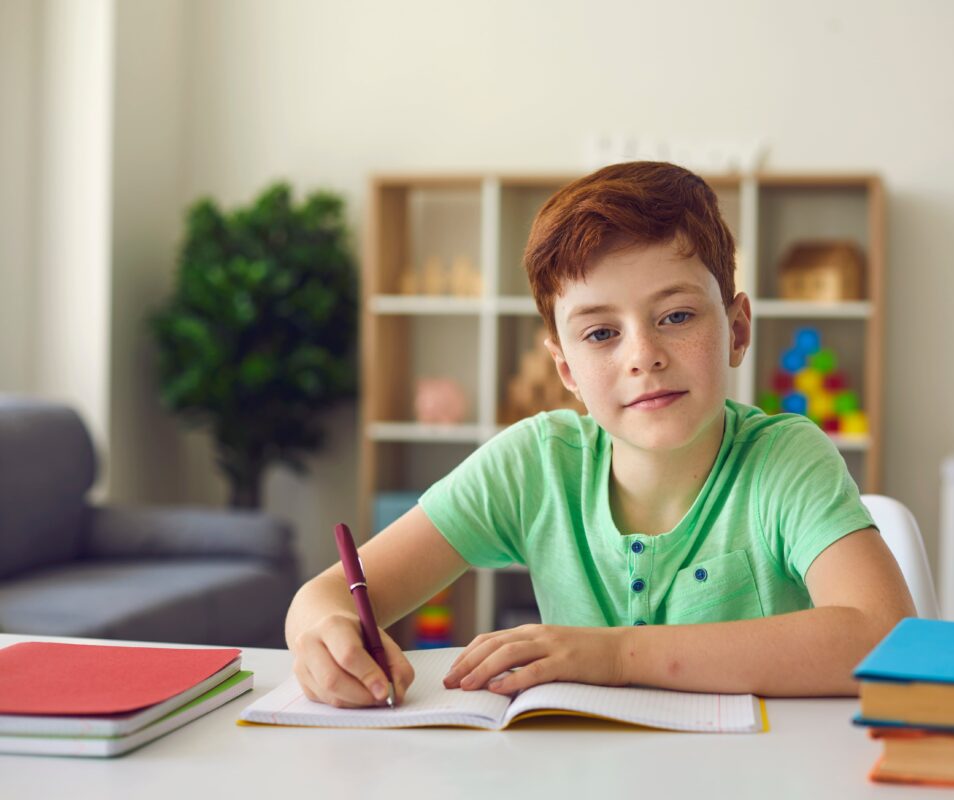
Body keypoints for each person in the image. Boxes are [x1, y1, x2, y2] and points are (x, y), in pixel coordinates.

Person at [285, 161, 915, 708]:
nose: (643, 355)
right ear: (566, 370)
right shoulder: (536, 463)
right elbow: (327, 595)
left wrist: (617, 656)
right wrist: (324, 632)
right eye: (601, 333)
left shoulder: (785, 459)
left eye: (676, 316)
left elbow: (884, 639)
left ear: (738, 330)